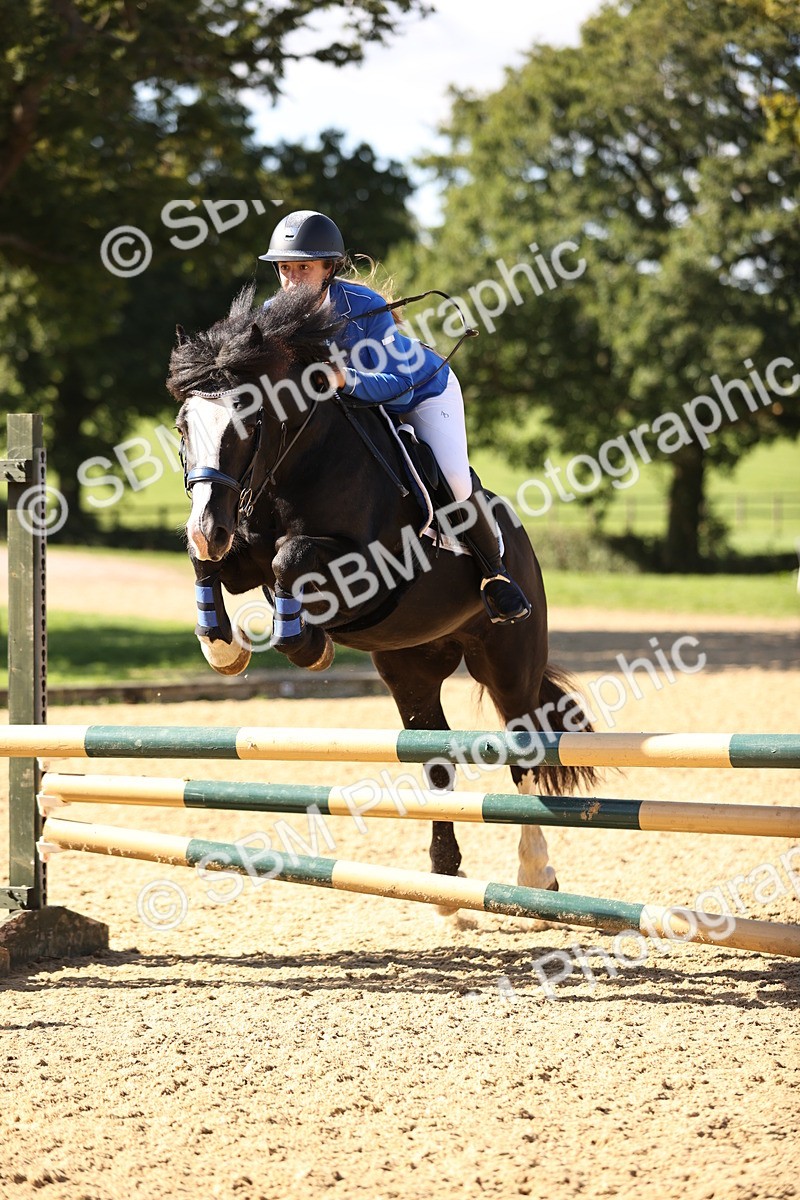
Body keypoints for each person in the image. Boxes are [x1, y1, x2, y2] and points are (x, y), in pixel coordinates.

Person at [259, 209, 530, 625]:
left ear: (329, 268)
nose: (293, 278)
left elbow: (394, 381)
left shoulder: (364, 306)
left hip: (421, 392)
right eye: (285, 268)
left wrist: (344, 378)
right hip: (355, 408)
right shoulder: (271, 313)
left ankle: (495, 572)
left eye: (304, 267)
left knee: (454, 478)